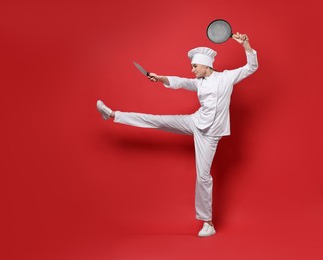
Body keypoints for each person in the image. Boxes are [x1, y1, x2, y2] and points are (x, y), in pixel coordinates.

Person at [96, 32, 258, 237]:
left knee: (203, 176)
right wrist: (159, 77)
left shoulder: (226, 78)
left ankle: (207, 223)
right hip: (194, 122)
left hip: (209, 136)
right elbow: (179, 81)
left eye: (194, 66)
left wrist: (246, 44)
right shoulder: (198, 83)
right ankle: (112, 114)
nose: (192, 70)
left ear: (206, 66)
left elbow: (251, 67)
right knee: (158, 120)